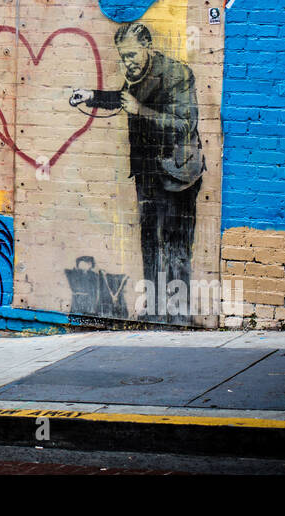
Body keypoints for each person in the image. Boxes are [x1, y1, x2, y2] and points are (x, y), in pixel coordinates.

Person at [70, 21, 204, 323]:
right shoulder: (137, 74)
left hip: (177, 174)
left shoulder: (177, 74)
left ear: (148, 48)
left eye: (131, 54)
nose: (126, 62)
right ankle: (155, 310)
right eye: (122, 55)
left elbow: (185, 125)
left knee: (175, 243)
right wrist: (91, 95)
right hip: (147, 174)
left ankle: (180, 313)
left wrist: (141, 110)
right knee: (149, 241)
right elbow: (124, 100)